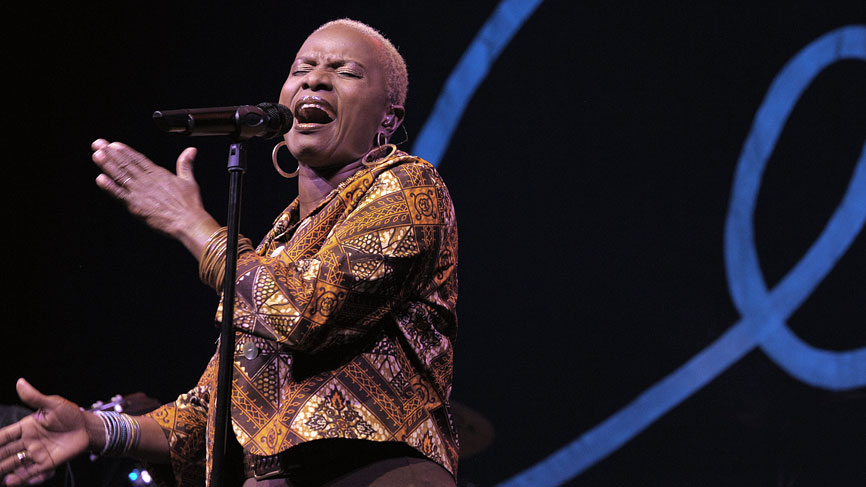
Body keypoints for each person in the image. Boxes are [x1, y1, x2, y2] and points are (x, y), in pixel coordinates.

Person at [0, 18, 458, 487]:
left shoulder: (408, 186)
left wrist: (193, 225)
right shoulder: (276, 247)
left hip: (369, 473)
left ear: (389, 118)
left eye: (346, 72)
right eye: (303, 68)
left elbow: (306, 311)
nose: (315, 79)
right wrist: (97, 429)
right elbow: (210, 412)